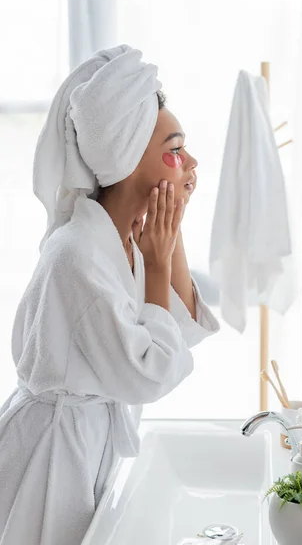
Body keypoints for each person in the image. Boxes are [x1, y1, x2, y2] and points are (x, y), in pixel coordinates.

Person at [0, 45, 219, 545]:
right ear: (126, 153)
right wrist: (160, 259)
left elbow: (180, 328)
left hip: (83, 447)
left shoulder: (126, 244)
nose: (192, 162)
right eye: (176, 148)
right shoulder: (76, 255)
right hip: (50, 463)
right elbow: (150, 371)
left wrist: (171, 235)